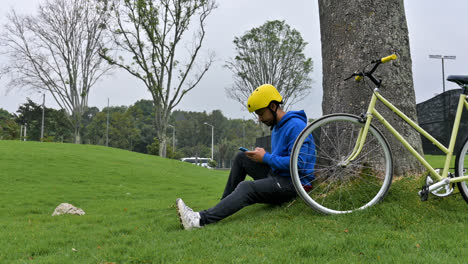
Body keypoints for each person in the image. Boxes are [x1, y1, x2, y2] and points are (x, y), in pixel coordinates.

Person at [176, 84, 315, 230]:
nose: (260, 119)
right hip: (278, 176)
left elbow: (299, 164)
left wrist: (266, 158)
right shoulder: (277, 127)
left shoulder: (296, 126)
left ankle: (197, 221)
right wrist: (263, 156)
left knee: (246, 188)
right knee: (242, 157)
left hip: (294, 185)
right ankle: (222, 207)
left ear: (273, 106)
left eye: (261, 114)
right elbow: (282, 157)